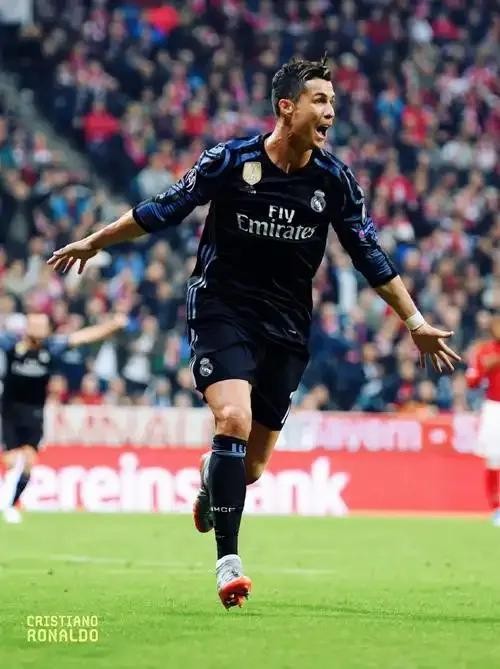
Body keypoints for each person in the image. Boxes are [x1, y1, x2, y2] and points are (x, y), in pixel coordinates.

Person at [48, 56, 461, 608]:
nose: (330, 112)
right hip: (222, 308)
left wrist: (415, 322)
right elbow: (164, 209)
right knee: (233, 418)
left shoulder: (334, 181)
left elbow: (369, 254)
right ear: (286, 107)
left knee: (251, 468)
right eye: (320, 100)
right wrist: (95, 241)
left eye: (333, 102)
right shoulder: (230, 160)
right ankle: (228, 563)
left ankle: (210, 475)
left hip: (287, 326)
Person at [0, 312, 127, 523]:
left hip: (35, 412)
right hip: (10, 411)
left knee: (30, 462)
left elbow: (84, 336)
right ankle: (6, 499)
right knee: (11, 460)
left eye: (43, 326)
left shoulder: (51, 347)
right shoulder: (10, 344)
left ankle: (11, 505)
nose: (39, 330)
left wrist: (112, 325)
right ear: (27, 328)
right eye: (35, 325)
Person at [465, 314, 500, 525]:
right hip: (494, 407)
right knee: (494, 459)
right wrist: (485, 367)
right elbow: (472, 381)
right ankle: (496, 508)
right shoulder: (485, 351)